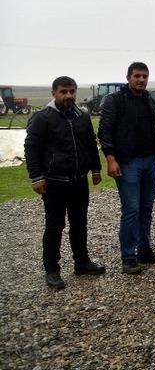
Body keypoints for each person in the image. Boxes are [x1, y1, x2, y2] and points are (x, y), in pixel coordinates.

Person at [25, 76, 104, 289]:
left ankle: (82, 262)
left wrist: (96, 169)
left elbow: (90, 143)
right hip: (54, 183)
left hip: (79, 181)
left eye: (72, 91)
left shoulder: (82, 116)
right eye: (63, 92)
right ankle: (52, 270)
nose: (68, 96)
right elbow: (31, 148)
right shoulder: (42, 117)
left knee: (79, 223)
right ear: (54, 93)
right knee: (55, 226)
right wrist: (36, 177)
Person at [98, 62, 155, 275]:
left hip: (149, 162)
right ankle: (128, 257)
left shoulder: (149, 100)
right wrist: (111, 158)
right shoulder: (114, 101)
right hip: (128, 163)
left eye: (144, 76)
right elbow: (105, 130)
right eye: (137, 76)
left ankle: (144, 250)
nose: (141, 80)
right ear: (128, 78)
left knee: (146, 209)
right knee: (131, 210)